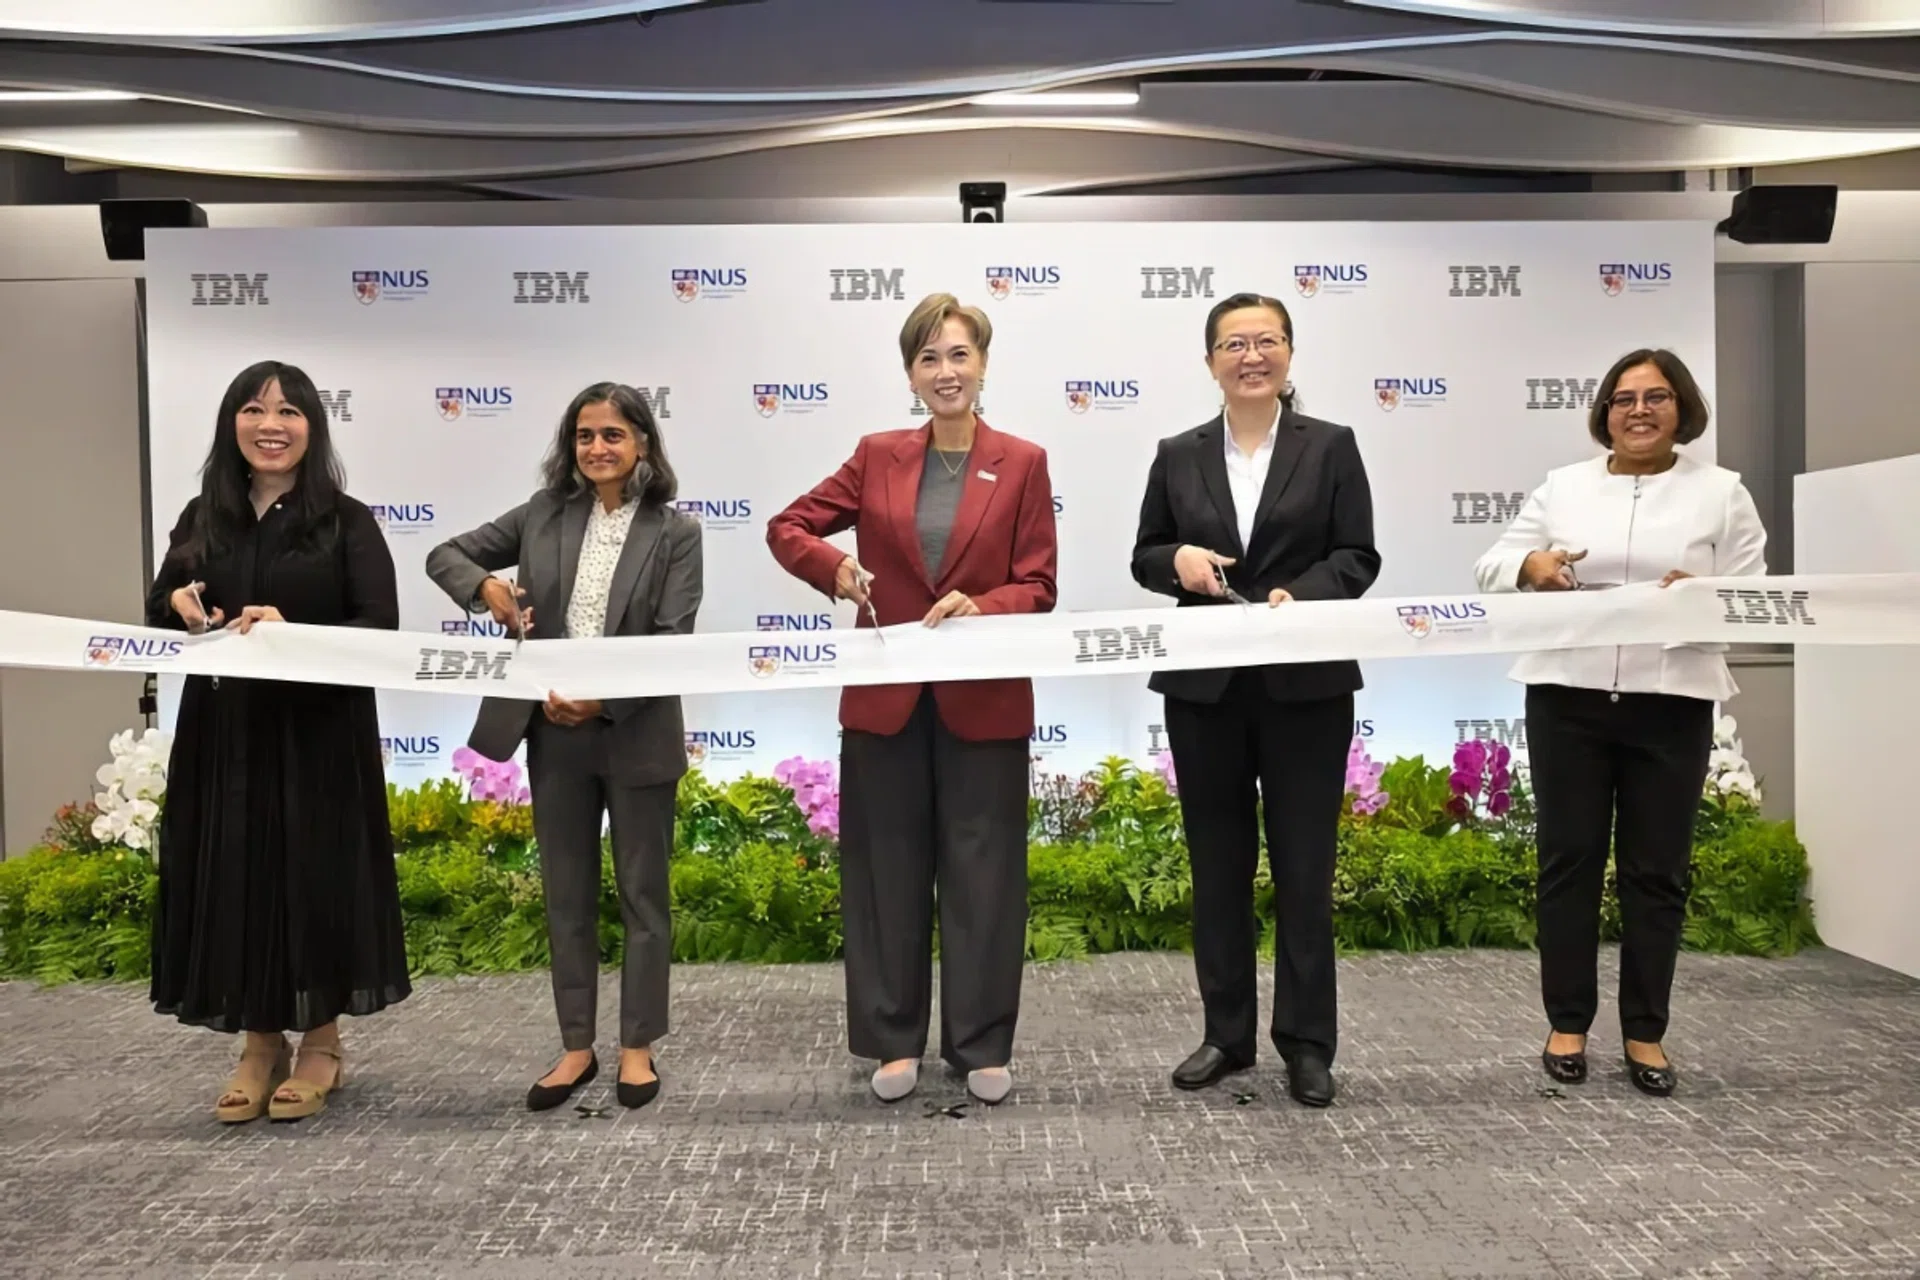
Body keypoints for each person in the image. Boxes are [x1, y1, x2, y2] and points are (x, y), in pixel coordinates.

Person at [766, 292, 1057, 1106]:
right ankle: (893, 1040)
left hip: (985, 699)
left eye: (959, 354)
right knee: (884, 870)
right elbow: (789, 526)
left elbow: (1038, 584)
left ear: (984, 363)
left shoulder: (1025, 461)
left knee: (986, 875)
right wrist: (835, 570)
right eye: (928, 358)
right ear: (910, 373)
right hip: (886, 699)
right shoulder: (877, 454)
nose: (945, 371)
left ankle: (980, 1044)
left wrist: (982, 604)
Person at [1474, 348, 1766, 1098]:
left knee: (1656, 872)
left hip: (1672, 700)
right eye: (1623, 398)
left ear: (1683, 409)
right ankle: (1566, 1022)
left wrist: (1706, 593)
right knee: (1567, 864)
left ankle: (1646, 1033)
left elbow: (1756, 592)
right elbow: (1493, 565)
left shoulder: (1723, 493)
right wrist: (1531, 567)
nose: (1638, 410)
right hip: (1568, 696)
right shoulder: (1562, 487)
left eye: (1656, 397)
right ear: (1603, 412)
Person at [1131, 291, 1380, 1108]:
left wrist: (1298, 596)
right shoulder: (1177, 452)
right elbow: (1144, 555)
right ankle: (1226, 1036)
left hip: (1305, 684)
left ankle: (1308, 1045)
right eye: (1234, 344)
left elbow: (1358, 556)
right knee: (1219, 869)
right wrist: (1181, 564)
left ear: (1289, 354)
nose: (1251, 356)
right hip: (1205, 689)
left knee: (1305, 871)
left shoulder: (1332, 445)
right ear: (1211, 361)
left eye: (1266, 340)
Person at [146, 359, 410, 1124]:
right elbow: (157, 608)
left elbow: (380, 627)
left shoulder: (346, 519)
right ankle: (259, 1045)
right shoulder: (205, 515)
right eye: (256, 410)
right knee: (236, 874)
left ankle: (321, 1041)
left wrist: (298, 636)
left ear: (312, 428)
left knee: (311, 875)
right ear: (232, 424)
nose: (272, 425)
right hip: (224, 732)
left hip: (318, 734)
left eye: (290, 411)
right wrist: (183, 607)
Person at [427, 382, 701, 1112]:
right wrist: (486, 585)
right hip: (553, 735)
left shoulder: (676, 533)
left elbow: (673, 643)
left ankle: (636, 1047)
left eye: (613, 434)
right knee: (567, 899)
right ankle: (576, 1047)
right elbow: (443, 553)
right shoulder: (541, 514)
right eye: (584, 435)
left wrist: (603, 702)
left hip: (636, 734)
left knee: (645, 899)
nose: (597, 448)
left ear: (643, 442)